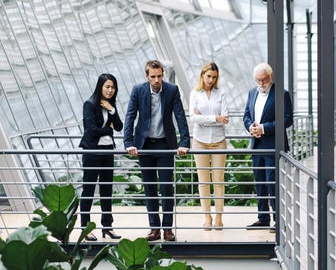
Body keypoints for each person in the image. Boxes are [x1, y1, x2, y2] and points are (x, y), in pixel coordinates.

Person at [124, 60, 190, 241]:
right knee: (149, 187)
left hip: (165, 145)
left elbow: (180, 116)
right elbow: (130, 116)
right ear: (147, 76)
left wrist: (184, 142)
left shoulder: (171, 90)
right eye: (152, 77)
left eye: (159, 76)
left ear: (163, 75)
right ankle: (155, 228)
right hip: (144, 145)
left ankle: (167, 228)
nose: (156, 80)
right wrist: (128, 142)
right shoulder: (138, 90)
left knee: (167, 187)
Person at [243, 62, 293, 230]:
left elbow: (287, 119)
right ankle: (263, 218)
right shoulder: (252, 93)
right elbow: (247, 116)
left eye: (263, 80)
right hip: (257, 145)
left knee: (274, 184)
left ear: (270, 77)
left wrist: (263, 128)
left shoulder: (281, 94)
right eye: (258, 80)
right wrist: (251, 127)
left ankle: (279, 220)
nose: (261, 84)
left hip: (273, 145)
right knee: (260, 183)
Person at [78, 73, 123, 241]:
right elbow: (92, 130)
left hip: (108, 152)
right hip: (92, 152)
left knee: (106, 190)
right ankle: (85, 227)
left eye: (113, 87)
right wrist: (108, 129)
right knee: (88, 190)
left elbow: (119, 126)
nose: (110, 90)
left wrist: (112, 110)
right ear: (100, 87)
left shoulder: (110, 105)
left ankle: (107, 226)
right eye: (107, 87)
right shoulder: (89, 105)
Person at [189, 62, 229, 230]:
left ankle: (219, 217)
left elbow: (225, 118)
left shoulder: (221, 93)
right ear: (202, 75)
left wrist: (204, 118)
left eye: (214, 77)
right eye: (208, 76)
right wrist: (215, 118)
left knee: (218, 181)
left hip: (219, 141)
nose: (211, 80)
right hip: (200, 142)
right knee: (203, 182)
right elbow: (193, 118)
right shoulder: (195, 93)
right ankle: (207, 217)